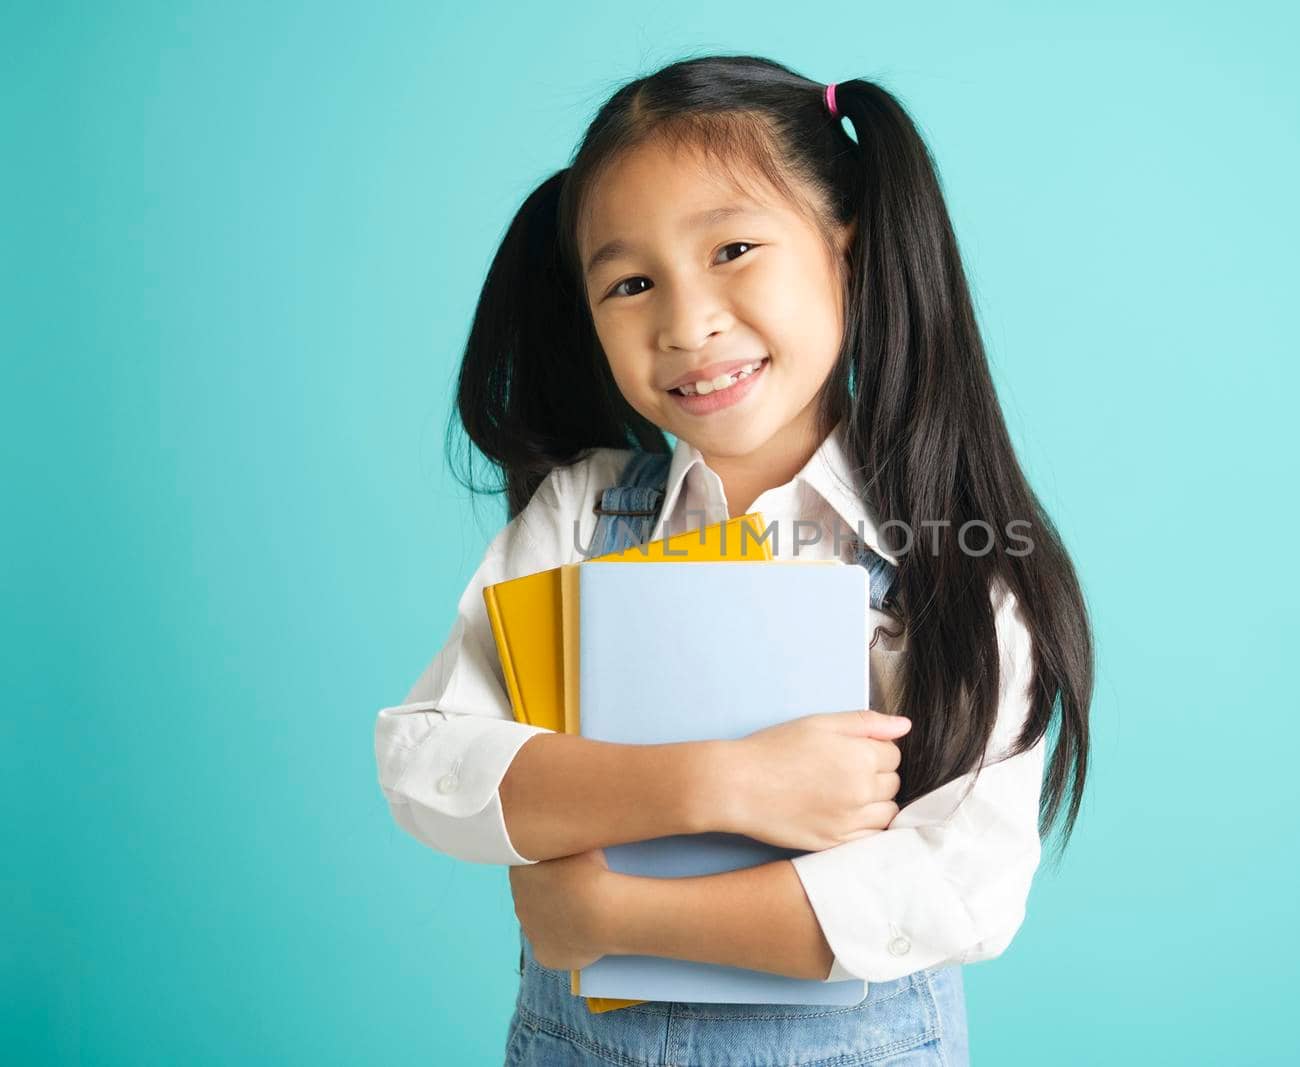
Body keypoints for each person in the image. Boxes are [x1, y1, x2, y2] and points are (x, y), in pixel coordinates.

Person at [373, 54, 1094, 1066]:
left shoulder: (957, 564)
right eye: (630, 282)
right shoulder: (581, 515)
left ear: (847, 246)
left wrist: (610, 914)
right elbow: (428, 761)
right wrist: (717, 783)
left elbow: (954, 888)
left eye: (735, 248)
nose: (686, 322)